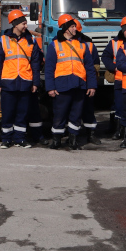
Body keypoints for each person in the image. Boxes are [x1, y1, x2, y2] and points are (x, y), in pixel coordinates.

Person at [44, 14, 97, 150]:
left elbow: (90, 67)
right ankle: (56, 139)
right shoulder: (55, 45)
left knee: (76, 114)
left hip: (79, 84)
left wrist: (91, 85)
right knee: (59, 113)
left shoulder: (82, 45)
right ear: (65, 28)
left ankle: (73, 139)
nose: (75, 29)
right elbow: (49, 68)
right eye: (72, 26)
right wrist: (50, 87)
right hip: (62, 85)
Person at [0, 10, 41, 148]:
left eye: (26, 23)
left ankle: (20, 138)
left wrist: (35, 83)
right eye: (23, 23)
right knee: (8, 112)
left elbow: (35, 64)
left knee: (22, 113)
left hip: (25, 81)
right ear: (15, 24)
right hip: (8, 82)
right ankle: (6, 139)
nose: (26, 26)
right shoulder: (3, 40)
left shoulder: (31, 41)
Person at [101, 17, 126, 139]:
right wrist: (113, 67)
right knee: (119, 106)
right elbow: (105, 56)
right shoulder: (114, 43)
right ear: (122, 30)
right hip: (120, 79)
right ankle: (119, 130)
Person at [74, 18, 103, 145]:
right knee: (72, 110)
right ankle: (72, 135)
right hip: (70, 82)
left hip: (85, 82)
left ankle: (90, 134)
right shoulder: (60, 43)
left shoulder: (89, 45)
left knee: (88, 109)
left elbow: (95, 64)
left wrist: (92, 82)